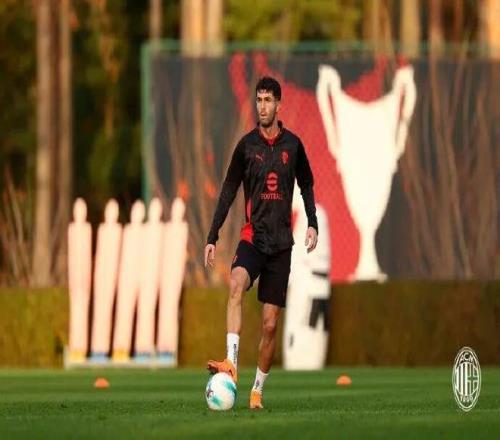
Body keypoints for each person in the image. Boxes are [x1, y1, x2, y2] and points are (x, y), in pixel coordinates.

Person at [204, 76, 318, 409]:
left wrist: (312, 223)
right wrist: (212, 236)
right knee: (235, 284)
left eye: (268, 100)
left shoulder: (293, 146)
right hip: (253, 238)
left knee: (270, 325)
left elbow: (307, 185)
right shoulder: (246, 147)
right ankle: (231, 363)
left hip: (281, 245)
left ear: (278, 105)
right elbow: (228, 191)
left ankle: (257, 390)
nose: (263, 106)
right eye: (259, 100)